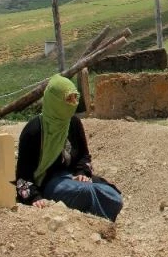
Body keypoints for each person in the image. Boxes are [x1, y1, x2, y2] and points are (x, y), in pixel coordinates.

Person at [15, 74, 123, 222]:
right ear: (55, 100)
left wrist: (82, 172)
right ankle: (98, 223)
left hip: (72, 177)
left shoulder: (73, 123)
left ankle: (97, 220)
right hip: (47, 182)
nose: (73, 103)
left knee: (114, 197)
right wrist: (34, 197)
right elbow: (23, 174)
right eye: (68, 99)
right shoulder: (34, 130)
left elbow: (84, 155)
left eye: (75, 98)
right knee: (85, 192)